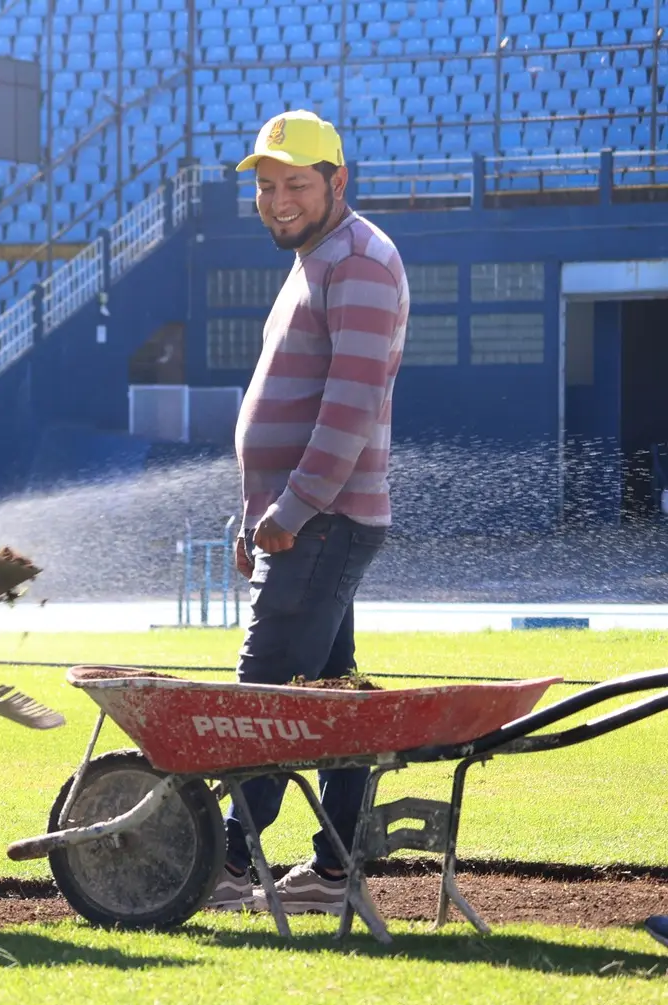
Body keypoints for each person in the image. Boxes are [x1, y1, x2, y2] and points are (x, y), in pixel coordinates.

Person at [209, 110, 409, 915]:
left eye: (295, 183)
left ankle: (224, 863)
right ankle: (334, 870)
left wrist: (289, 511)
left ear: (338, 181)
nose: (277, 199)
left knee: (264, 701)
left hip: (321, 521)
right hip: (307, 519)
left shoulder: (359, 261)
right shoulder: (317, 257)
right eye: (265, 185)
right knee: (332, 700)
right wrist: (254, 513)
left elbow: (350, 407)